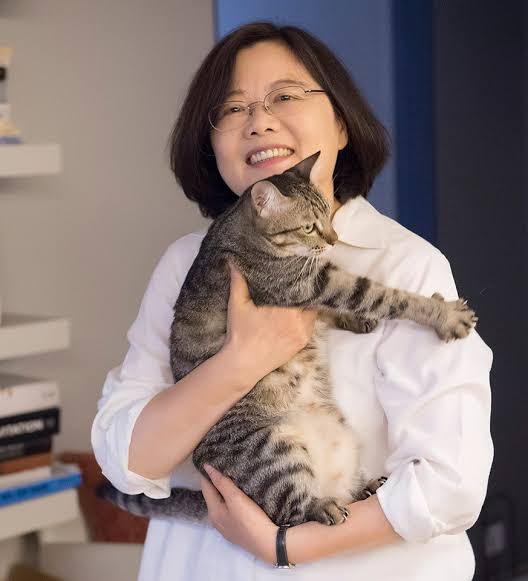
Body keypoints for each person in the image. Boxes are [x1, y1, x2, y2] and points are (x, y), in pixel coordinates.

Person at [91, 22, 493, 580]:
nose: (259, 121)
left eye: (284, 96)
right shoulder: (186, 263)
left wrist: (284, 545)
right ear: (211, 144)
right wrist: (240, 363)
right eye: (233, 109)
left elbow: (451, 484)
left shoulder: (406, 266)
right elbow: (125, 461)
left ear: (342, 125)